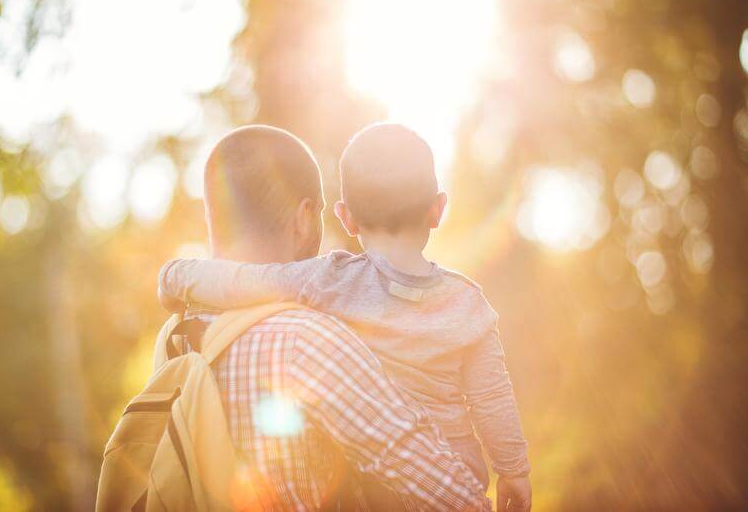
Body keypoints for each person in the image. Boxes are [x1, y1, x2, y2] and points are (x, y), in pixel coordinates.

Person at [159, 123, 532, 511]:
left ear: (346, 218)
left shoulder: (329, 281)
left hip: (376, 490)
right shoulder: (467, 303)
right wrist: (514, 471)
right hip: (455, 474)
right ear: (437, 209)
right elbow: (492, 398)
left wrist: (176, 276)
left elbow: (247, 281)